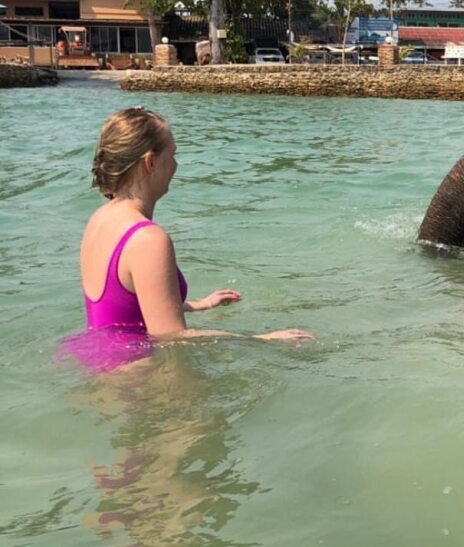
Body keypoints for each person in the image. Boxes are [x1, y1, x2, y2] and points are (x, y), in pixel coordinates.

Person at [61, 107, 311, 371]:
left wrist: (199, 305)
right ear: (150, 163)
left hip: (99, 363)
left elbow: (124, 312)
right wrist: (260, 341)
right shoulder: (148, 239)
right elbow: (171, 338)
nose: (176, 166)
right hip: (136, 376)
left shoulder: (100, 219)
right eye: (173, 155)